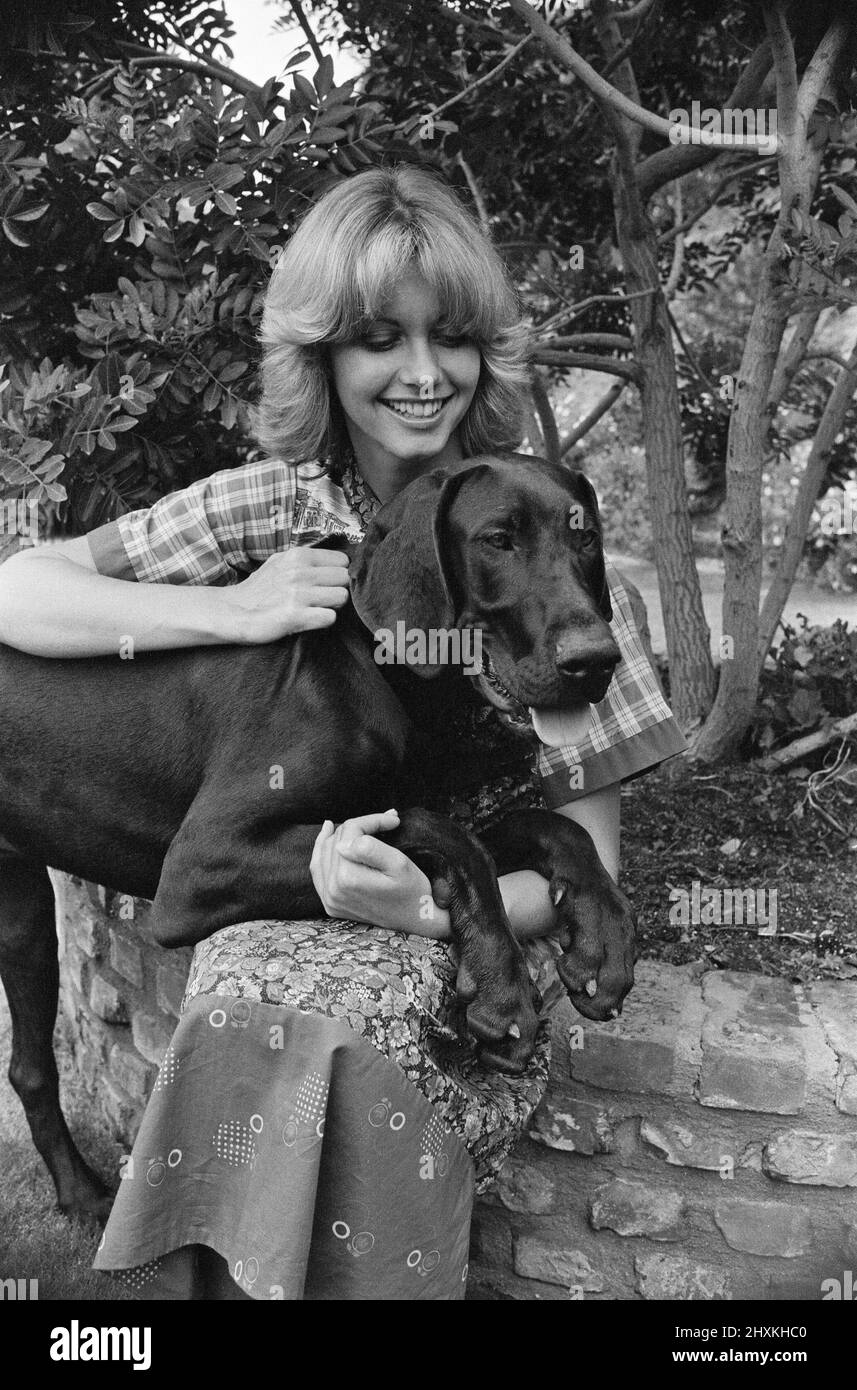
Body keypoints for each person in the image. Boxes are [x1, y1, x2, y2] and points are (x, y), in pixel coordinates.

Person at [0, 164, 686, 1300]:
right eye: (379, 338)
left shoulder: (558, 578)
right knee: (257, 1009)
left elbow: (585, 877)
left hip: (438, 962)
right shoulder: (265, 507)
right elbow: (18, 588)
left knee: (313, 1033)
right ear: (323, 353)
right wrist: (227, 607)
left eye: (451, 338)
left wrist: (424, 906)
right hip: (273, 927)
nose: (422, 374)